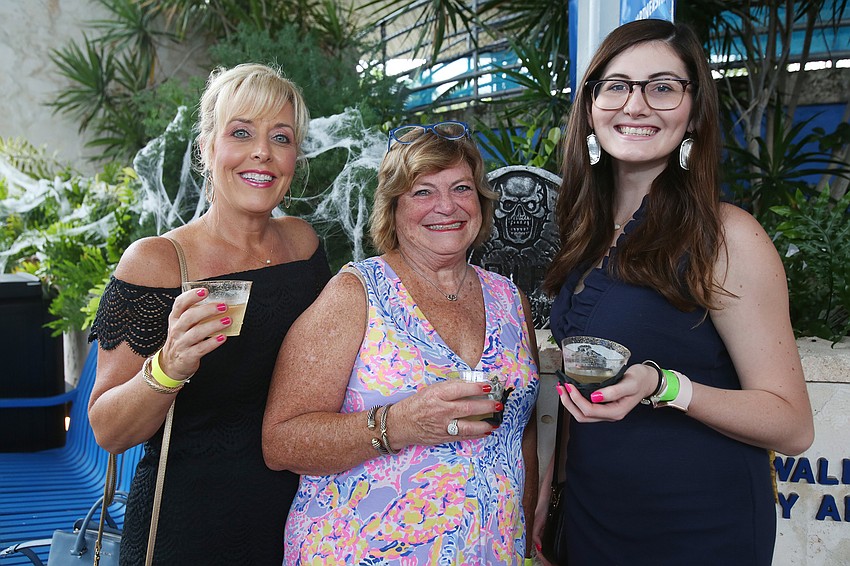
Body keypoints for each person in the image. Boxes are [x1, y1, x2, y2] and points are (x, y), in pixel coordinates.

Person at [533, 19, 814, 566]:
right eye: (616, 85)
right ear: (590, 106)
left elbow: (792, 424)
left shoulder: (726, 236)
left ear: (693, 113)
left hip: (696, 525)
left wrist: (664, 387)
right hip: (594, 516)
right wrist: (551, 493)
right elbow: (578, 392)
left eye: (662, 87)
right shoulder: (587, 234)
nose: (635, 105)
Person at [263, 120, 540, 564]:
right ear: (393, 208)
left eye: (462, 188)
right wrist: (399, 424)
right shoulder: (357, 294)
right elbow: (281, 443)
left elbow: (519, 429)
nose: (446, 207)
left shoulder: (510, 299)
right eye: (423, 192)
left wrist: (528, 531)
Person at [87, 63, 331, 565]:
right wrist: (168, 366)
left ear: (294, 158)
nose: (262, 151)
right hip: (188, 525)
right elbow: (108, 431)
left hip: (300, 517)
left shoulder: (305, 247)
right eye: (241, 132)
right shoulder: (157, 263)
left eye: (280, 137)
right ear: (207, 148)